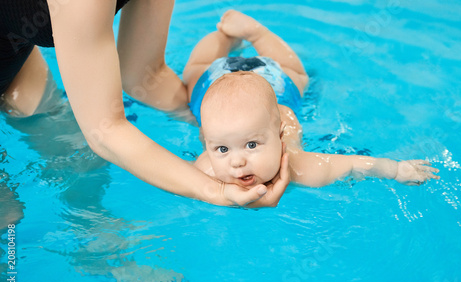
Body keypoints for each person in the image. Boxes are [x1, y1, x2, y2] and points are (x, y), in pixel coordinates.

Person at [0, 1, 289, 207]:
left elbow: (144, 73)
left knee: (79, 164)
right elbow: (105, 131)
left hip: (14, 49)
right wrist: (216, 192)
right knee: (8, 217)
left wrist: (228, 125)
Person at [183, 10, 440, 189]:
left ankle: (257, 34)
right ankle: (223, 36)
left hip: (275, 85)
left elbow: (349, 165)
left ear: (281, 135)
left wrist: (395, 171)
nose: (237, 162)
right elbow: (176, 178)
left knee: (295, 73)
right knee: (196, 71)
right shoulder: (206, 170)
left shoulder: (299, 167)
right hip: (213, 83)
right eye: (222, 149)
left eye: (251, 145)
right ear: (207, 143)